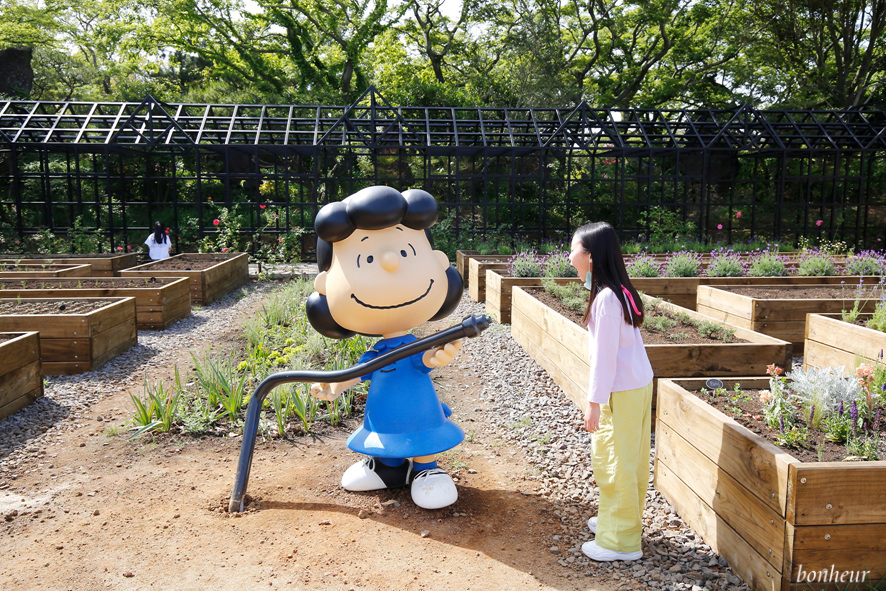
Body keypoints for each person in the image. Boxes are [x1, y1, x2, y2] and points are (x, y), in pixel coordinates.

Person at [305, 185, 466, 510]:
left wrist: (437, 355)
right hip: (384, 415)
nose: (391, 261)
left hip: (419, 410)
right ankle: (389, 469)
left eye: (407, 252)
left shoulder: (412, 346)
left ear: (438, 261)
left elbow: (424, 359)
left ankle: (425, 470)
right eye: (365, 258)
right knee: (386, 437)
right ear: (325, 285)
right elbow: (360, 372)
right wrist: (335, 386)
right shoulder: (376, 353)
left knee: (421, 434)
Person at [568, 221, 654, 562]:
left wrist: (594, 404)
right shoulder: (620, 290)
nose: (569, 256)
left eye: (573, 248)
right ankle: (620, 521)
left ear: (590, 256)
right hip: (636, 385)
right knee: (629, 460)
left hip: (622, 391)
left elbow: (604, 359)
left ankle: (620, 542)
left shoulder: (606, 299)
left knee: (614, 462)